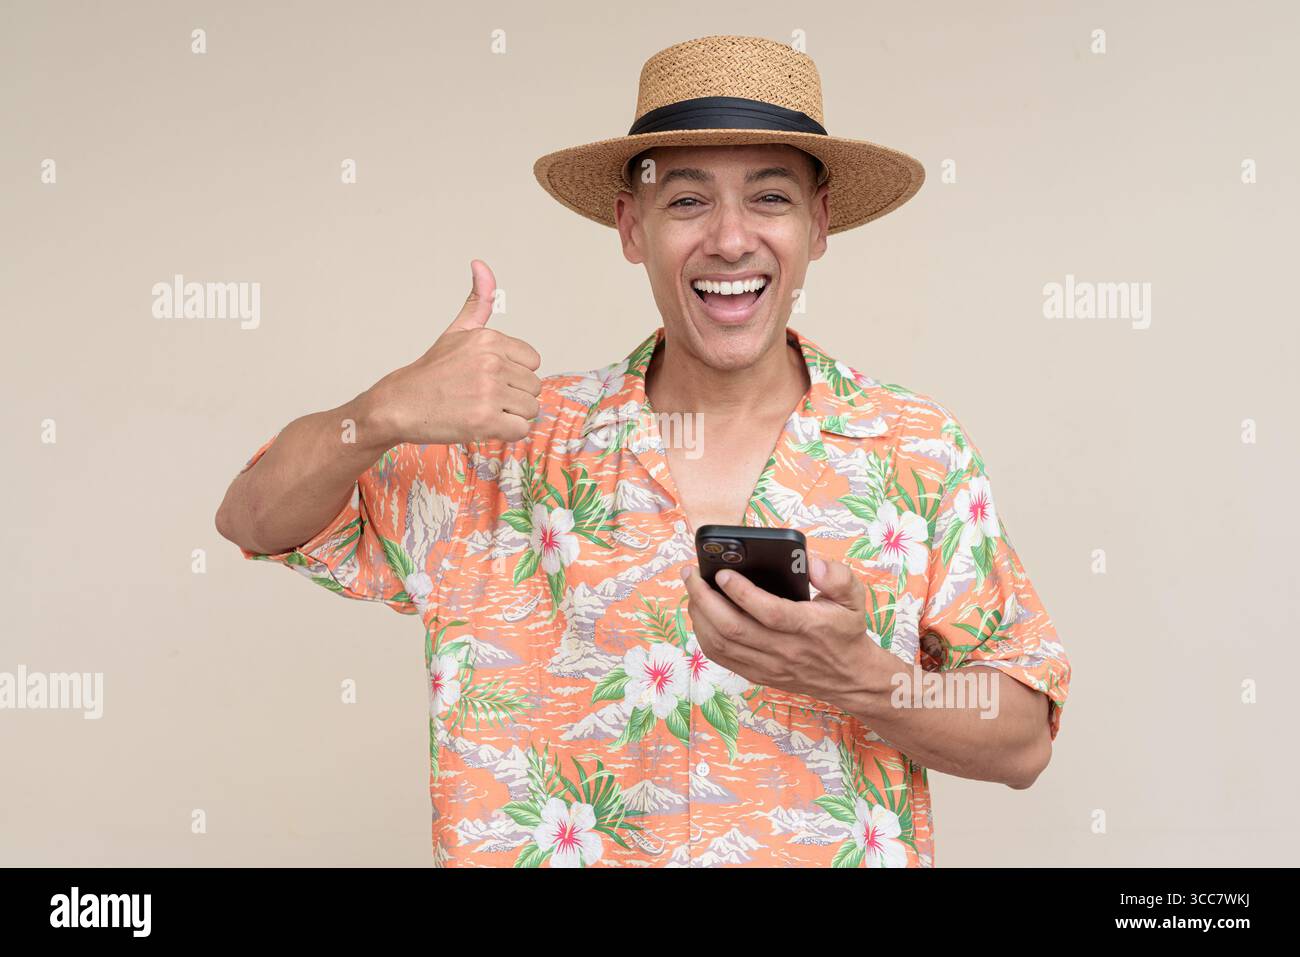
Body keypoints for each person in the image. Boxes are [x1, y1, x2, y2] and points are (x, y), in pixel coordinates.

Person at [216, 34, 1071, 868]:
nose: (730, 239)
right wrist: (379, 412)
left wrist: (862, 677)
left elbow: (1024, 736)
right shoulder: (506, 448)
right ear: (633, 226)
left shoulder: (914, 449)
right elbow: (253, 516)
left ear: (819, 224)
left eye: (770, 198)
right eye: (687, 200)